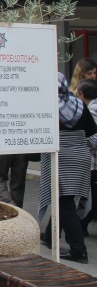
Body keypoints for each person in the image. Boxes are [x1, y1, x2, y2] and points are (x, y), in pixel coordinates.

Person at [38, 72, 97, 263]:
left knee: (63, 201)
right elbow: (92, 134)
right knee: (65, 199)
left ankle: (78, 250)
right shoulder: (79, 104)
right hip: (80, 157)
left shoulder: (48, 107)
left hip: (60, 157)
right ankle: (49, 237)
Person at [79, 79, 97, 236]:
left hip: (93, 161)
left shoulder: (91, 110)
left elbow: (93, 138)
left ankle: (82, 224)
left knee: (90, 197)